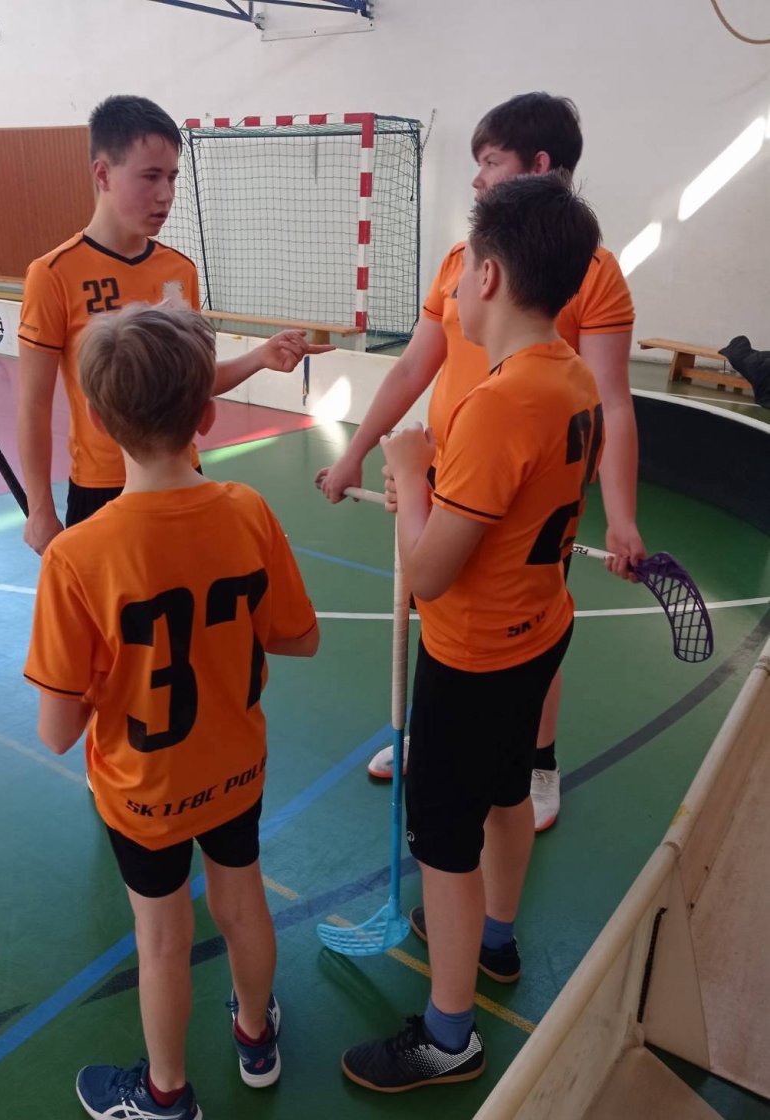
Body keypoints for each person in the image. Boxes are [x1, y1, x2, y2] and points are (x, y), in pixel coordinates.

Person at [340, 172, 604, 1092]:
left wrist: (412, 475)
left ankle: (447, 1036)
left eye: (459, 269)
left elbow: (427, 573)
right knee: (505, 794)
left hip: (474, 656)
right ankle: (494, 939)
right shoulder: (569, 377)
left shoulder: (497, 403)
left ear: (486, 277)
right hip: (537, 632)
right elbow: (503, 505)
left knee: (444, 843)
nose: (449, 286)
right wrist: (437, 488)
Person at [317, 92, 644, 830]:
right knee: (437, 613)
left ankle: (534, 763)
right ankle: (431, 735)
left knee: (522, 626)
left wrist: (620, 516)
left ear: (538, 165)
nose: (476, 179)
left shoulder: (588, 271)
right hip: (444, 475)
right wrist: (356, 453)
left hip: (524, 490)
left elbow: (611, 401)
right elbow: (412, 368)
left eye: (489, 162)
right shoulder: (459, 262)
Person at [24, 303, 319, 1119]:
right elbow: (300, 638)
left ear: (96, 419)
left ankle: (165, 1095)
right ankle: (255, 1036)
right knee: (242, 902)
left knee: (161, 939)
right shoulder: (247, 510)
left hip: (142, 791)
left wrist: (97, 666)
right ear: (205, 415)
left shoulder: (77, 557)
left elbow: (57, 732)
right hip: (234, 767)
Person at [18, 94, 330, 556]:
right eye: (150, 176)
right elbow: (33, 404)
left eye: (172, 177)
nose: (165, 194)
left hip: (182, 477)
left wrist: (259, 357)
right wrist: (40, 508)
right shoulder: (53, 275)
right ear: (102, 174)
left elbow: (189, 385)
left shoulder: (179, 271)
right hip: (102, 490)